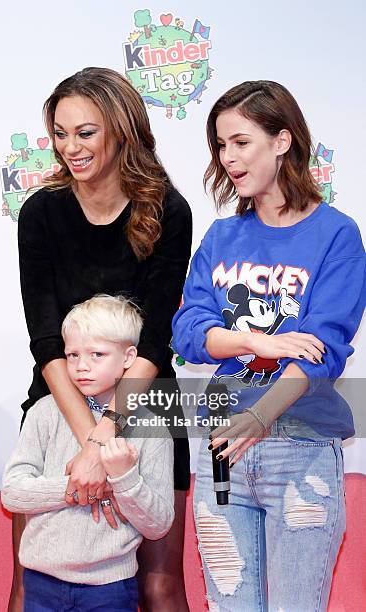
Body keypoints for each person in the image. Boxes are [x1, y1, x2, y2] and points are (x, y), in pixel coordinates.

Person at [172, 80, 365, 611]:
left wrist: (260, 417)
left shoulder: (337, 235)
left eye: (240, 142)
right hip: (223, 455)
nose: (228, 157)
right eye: (220, 145)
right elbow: (189, 333)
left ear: (282, 141)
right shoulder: (221, 237)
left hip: (300, 448)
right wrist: (264, 341)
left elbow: (324, 350)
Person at [13, 67, 192, 611]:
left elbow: (156, 342)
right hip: (58, 403)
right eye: (60, 133)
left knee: (159, 586)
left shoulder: (167, 209)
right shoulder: (40, 213)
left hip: (142, 411)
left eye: (85, 132)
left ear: (120, 130)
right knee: (30, 581)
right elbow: (45, 341)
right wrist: (90, 438)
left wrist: (108, 438)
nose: (71, 147)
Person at [2, 295, 175, 612]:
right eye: (72, 355)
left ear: (129, 357)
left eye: (97, 354)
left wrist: (124, 479)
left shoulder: (152, 429)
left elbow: (158, 524)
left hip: (110, 591)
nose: (81, 366)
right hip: (41, 584)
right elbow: (12, 493)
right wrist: (82, 486)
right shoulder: (44, 413)